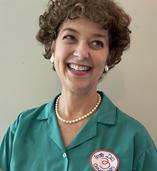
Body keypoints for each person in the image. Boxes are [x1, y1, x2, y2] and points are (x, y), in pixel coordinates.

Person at [0, 0, 157, 170]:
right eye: (70, 37)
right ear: (52, 46)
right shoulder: (21, 129)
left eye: (96, 42)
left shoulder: (135, 140)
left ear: (109, 56)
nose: (81, 53)